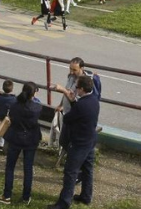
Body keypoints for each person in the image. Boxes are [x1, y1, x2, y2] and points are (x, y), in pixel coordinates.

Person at [49, 75, 100, 209]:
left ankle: (64, 202)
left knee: (71, 172)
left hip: (79, 143)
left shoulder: (81, 105)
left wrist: (72, 103)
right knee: (88, 169)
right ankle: (86, 196)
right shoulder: (94, 100)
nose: (75, 89)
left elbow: (68, 119)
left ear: (82, 89)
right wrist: (73, 101)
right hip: (90, 140)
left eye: (77, 87)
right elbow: (80, 114)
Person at [0, 82, 43, 206]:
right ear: (33, 93)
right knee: (28, 169)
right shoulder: (37, 108)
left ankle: (7, 195)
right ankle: (26, 196)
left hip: (15, 138)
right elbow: (37, 105)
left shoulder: (14, 106)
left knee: (10, 167)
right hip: (31, 140)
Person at [0, 79, 16, 152]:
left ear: (3, 88)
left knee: (3, 128)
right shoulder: (14, 99)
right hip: (11, 118)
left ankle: (0, 145)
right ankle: (10, 145)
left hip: (2, 117)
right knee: (10, 130)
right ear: (12, 89)